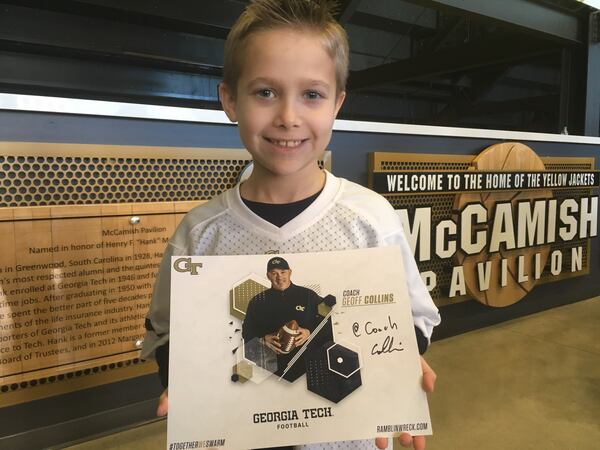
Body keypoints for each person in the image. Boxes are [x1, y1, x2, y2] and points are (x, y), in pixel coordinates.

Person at [142, 1, 441, 449]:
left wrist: (398, 368)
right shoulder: (201, 232)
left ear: (337, 103)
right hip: (236, 430)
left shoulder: (371, 218)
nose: (288, 116)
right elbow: (167, 330)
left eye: (312, 94)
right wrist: (183, 382)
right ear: (230, 101)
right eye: (265, 92)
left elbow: (413, 316)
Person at [242, 256, 330, 381]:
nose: (279, 277)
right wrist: (263, 339)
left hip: (307, 366)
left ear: (290, 272)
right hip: (271, 369)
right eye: (274, 273)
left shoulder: (309, 295)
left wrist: (309, 332)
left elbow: (329, 320)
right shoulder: (257, 301)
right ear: (268, 275)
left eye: (283, 272)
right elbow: (247, 331)